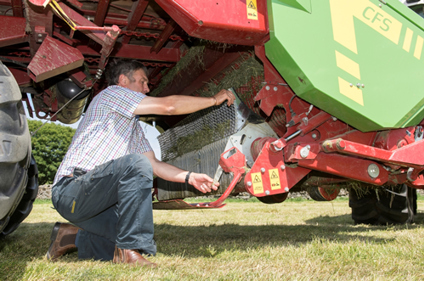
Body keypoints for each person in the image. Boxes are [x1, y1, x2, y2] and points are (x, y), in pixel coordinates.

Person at [46, 59, 235, 267]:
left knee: (133, 238)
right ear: (123, 80)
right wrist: (214, 100)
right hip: (71, 189)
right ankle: (128, 252)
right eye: (143, 82)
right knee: (135, 167)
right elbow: (169, 106)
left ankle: (68, 237)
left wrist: (190, 177)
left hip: (94, 200)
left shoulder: (132, 128)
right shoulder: (112, 94)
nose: (147, 88)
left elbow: (153, 164)